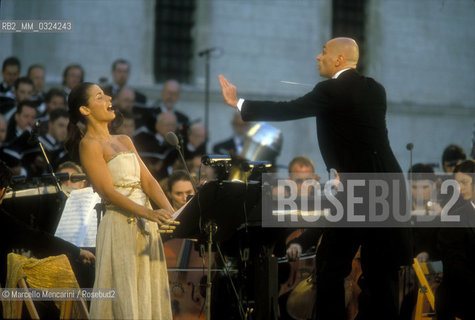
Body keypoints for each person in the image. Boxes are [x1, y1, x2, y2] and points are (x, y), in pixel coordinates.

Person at [219, 37, 412, 320]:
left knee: (330, 265)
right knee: (380, 272)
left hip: (359, 191)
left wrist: (239, 103)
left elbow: (289, 109)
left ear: (338, 60)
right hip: (390, 187)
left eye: (323, 53)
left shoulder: (331, 90)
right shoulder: (375, 89)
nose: (317, 57)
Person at [66, 82, 177, 319]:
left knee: (148, 291)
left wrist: (171, 212)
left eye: (106, 95)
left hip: (147, 226)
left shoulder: (125, 139)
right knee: (124, 294)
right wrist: (148, 213)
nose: (109, 99)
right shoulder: (88, 145)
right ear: (85, 110)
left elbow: (148, 181)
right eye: (99, 97)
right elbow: (107, 192)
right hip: (120, 226)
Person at [436, 159, 475, 320]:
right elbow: (455, 267)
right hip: (461, 294)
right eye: (457, 184)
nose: (460, 188)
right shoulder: (454, 217)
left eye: (464, 182)